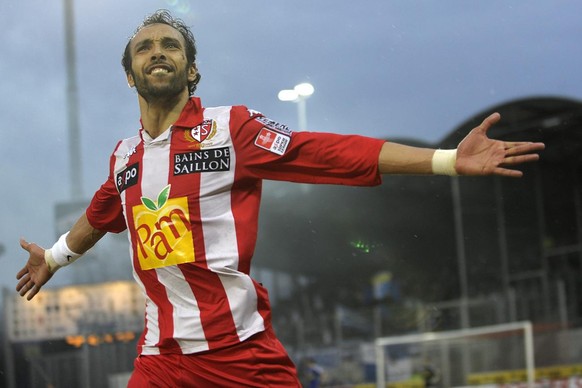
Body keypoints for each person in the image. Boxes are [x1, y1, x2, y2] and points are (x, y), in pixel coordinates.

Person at [16, 9, 545, 387]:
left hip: (239, 356)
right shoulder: (124, 156)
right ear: (129, 74)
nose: (157, 51)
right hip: (161, 360)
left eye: (170, 45)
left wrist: (448, 159)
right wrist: (55, 258)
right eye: (144, 48)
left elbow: (326, 151)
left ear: (191, 70)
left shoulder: (232, 130)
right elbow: (100, 213)